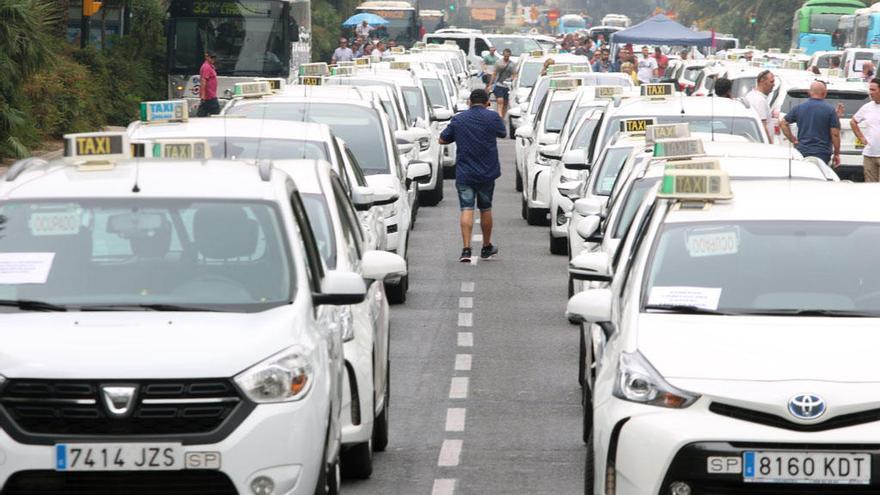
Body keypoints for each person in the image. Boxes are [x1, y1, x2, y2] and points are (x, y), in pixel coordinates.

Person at [438, 89, 507, 262]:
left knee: (466, 208)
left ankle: (466, 249)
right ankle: (486, 246)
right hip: (487, 172)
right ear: (487, 103)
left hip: (465, 172)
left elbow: (442, 139)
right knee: (485, 208)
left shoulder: (459, 119)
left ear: (469, 102)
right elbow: (503, 133)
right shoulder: (492, 118)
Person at [779, 81, 841, 167]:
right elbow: (835, 134)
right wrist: (837, 153)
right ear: (825, 93)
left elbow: (783, 123)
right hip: (822, 152)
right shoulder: (830, 110)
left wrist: (794, 140)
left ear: (809, 92)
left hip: (802, 150)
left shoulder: (798, 108)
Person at [851, 78, 880, 182]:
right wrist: (861, 137)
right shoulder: (867, 107)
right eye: (870, 90)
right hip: (870, 155)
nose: (870, 93)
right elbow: (853, 122)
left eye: (873, 90)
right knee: (870, 188)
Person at [744, 69, 775, 143]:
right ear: (762, 81)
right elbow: (763, 125)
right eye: (771, 82)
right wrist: (770, 144)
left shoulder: (751, 95)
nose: (774, 84)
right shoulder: (759, 100)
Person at [489, 48, 517, 119]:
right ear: (503, 55)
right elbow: (494, 73)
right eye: (505, 56)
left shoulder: (512, 64)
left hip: (507, 86)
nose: (506, 57)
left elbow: (514, 74)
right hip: (499, 84)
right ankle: (499, 114)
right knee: (500, 100)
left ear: (510, 55)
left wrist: (512, 80)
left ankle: (502, 117)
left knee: (505, 102)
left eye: (508, 56)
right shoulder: (498, 63)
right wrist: (490, 84)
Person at [197, 52, 220, 117]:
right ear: (207, 57)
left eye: (214, 57)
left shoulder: (210, 66)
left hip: (210, 95)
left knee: (204, 113)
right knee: (216, 113)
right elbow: (203, 81)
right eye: (211, 57)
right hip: (209, 96)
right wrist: (203, 95)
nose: (213, 59)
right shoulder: (206, 67)